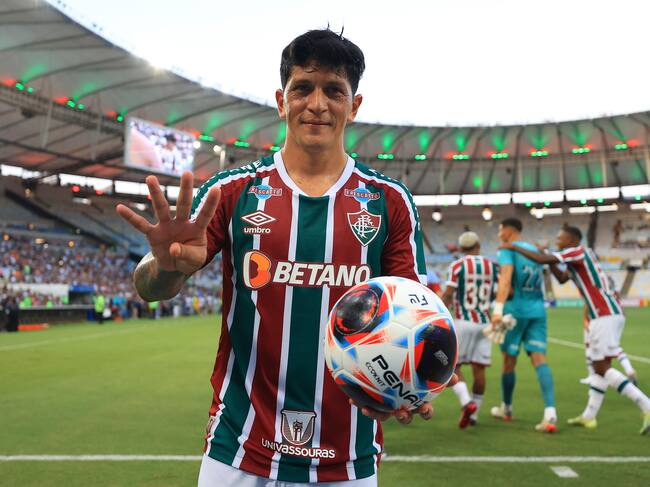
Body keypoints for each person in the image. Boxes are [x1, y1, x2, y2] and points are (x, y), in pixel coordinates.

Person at [117, 29, 451, 486]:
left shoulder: (388, 201)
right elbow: (150, 288)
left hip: (347, 458)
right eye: (303, 88)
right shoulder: (232, 192)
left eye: (334, 91)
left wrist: (412, 384)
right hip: (238, 448)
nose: (317, 104)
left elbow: (416, 316)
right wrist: (166, 267)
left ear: (354, 105)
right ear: (281, 100)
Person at [500, 225, 650, 434]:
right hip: (605, 313)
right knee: (599, 366)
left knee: (602, 368)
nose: (557, 242)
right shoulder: (575, 259)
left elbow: (542, 260)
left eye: (560, 239)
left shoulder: (578, 252)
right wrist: (547, 257)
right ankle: (589, 416)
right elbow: (562, 278)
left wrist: (514, 247)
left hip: (604, 313)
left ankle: (646, 405)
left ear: (571, 240)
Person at [489, 218, 557, 433]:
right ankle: (550, 412)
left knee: (509, 361)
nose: (499, 234)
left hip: (515, 311)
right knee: (540, 359)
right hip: (537, 311)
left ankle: (507, 408)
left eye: (500, 230)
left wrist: (497, 309)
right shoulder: (534, 250)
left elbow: (506, 279)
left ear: (508, 231)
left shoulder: (507, 249)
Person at [442, 232, 498, 428]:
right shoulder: (492, 266)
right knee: (479, 369)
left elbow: (448, 294)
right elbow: (502, 293)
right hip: (485, 323)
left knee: (453, 367)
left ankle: (467, 403)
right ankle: (474, 416)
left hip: (463, 321)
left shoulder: (457, 266)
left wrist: (438, 313)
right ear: (478, 245)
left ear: (460, 248)